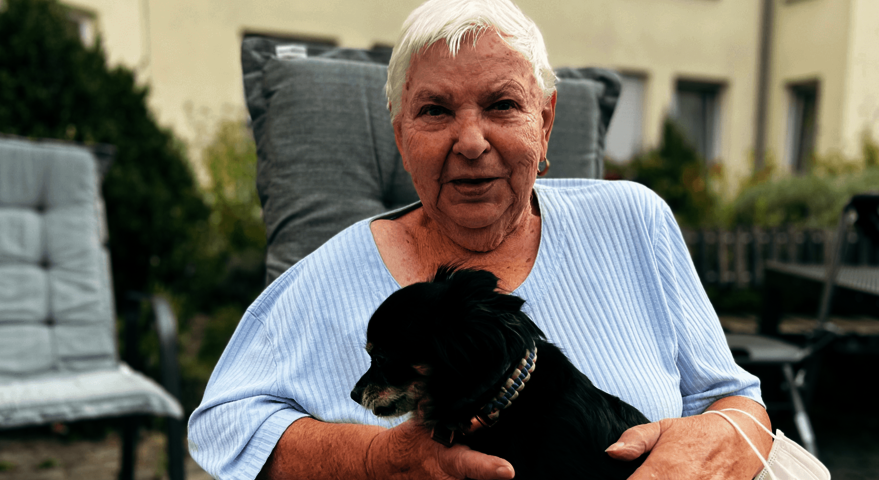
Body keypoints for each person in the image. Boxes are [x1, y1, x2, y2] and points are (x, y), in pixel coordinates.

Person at [188, 0, 773, 478]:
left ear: (544, 124)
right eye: (436, 111)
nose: (471, 141)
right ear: (401, 137)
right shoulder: (327, 275)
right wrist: (377, 460)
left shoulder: (633, 222)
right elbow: (222, 426)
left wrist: (722, 435)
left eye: (502, 104)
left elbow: (736, 399)